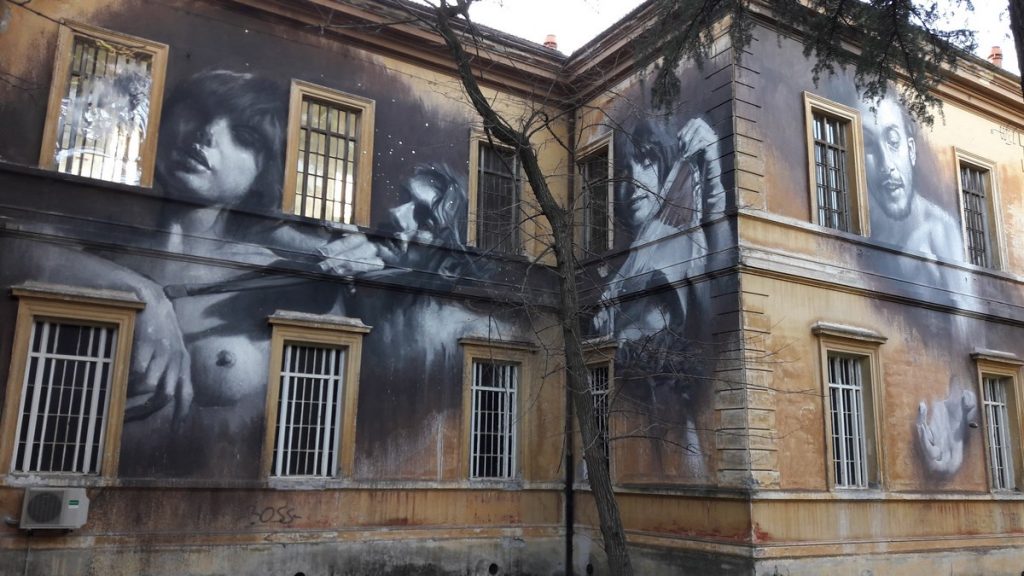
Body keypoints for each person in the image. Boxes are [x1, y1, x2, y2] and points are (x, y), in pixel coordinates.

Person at [591, 116, 724, 479]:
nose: (632, 184)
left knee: (677, 453)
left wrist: (711, 171)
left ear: (667, 166)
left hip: (667, 408)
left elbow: (717, 261)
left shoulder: (679, 236)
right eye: (623, 174)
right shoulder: (636, 254)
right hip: (628, 420)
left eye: (646, 163)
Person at [861, 97, 962, 262]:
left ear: (911, 150)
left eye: (893, 142)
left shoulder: (940, 230)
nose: (887, 165)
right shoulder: (867, 226)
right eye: (868, 144)